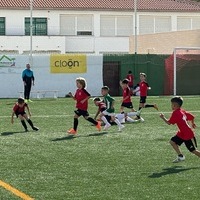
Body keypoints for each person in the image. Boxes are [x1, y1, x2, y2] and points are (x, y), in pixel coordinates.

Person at [160, 96, 200, 163]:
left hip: (187, 134)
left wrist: (163, 117)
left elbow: (169, 123)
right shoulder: (182, 111)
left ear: (175, 105)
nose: (171, 106)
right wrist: (192, 123)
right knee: (172, 142)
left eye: (172, 104)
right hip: (182, 133)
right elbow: (192, 117)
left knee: (193, 151)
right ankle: (180, 156)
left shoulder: (175, 113)